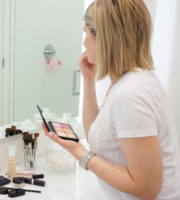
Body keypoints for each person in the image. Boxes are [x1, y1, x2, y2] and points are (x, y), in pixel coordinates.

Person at [44, 0, 180, 199]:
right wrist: (88, 82)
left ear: (106, 38)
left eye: (87, 32)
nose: (84, 41)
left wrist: (81, 154)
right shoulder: (131, 82)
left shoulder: (131, 94)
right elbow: (97, 137)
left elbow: (147, 187)